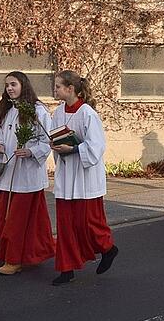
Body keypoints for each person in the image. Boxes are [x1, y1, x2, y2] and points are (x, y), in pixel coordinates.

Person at [50, 71, 118, 286]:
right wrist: (56, 147)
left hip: (85, 175)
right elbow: (54, 135)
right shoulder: (58, 112)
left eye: (59, 86)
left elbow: (97, 145)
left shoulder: (87, 113)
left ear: (70, 89)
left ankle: (108, 248)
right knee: (65, 224)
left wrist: (74, 149)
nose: (55, 90)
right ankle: (66, 268)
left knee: (88, 222)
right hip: (67, 173)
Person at [0, 71, 55, 275]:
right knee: (7, 216)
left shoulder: (37, 110)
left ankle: (15, 258)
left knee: (18, 220)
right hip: (9, 172)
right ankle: (15, 253)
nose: (9, 88)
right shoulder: (6, 109)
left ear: (23, 85)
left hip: (27, 174)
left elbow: (47, 140)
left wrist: (30, 151)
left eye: (13, 84)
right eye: (7, 85)